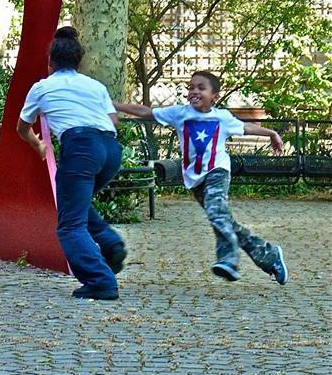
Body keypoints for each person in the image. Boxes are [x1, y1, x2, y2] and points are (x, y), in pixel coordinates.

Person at [115, 70, 289, 285]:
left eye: (201, 88)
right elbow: (146, 112)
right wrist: (117, 105)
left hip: (217, 172)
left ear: (214, 96)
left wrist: (272, 133)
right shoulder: (180, 113)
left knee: (217, 213)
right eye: (191, 87)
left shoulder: (222, 117)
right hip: (194, 179)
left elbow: (246, 127)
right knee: (224, 221)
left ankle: (228, 260)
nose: (194, 91)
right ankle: (270, 256)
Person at [17, 26, 127, 301]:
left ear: (50, 61)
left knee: (69, 225)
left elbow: (22, 127)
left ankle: (101, 281)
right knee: (75, 205)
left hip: (80, 148)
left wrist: (38, 144)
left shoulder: (42, 88)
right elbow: (113, 121)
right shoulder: (95, 85)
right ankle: (110, 243)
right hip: (111, 150)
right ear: (80, 62)